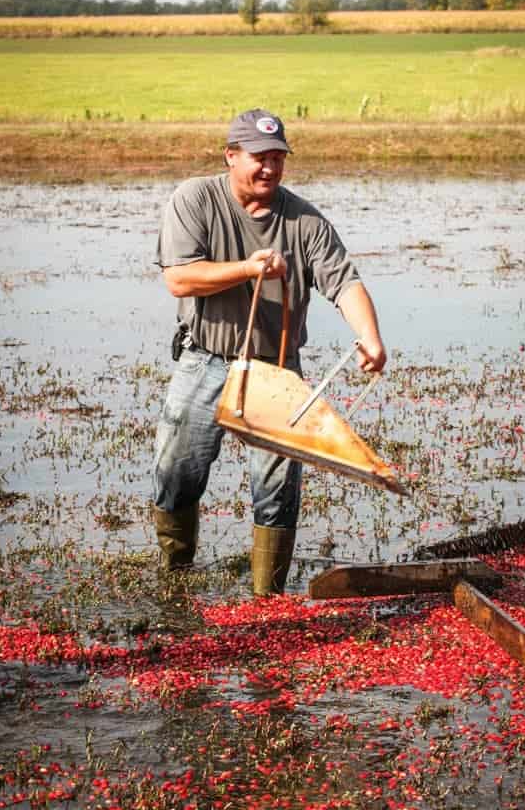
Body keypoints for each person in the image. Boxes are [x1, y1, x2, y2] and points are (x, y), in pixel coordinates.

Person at [151, 108, 387, 595]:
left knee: (277, 490)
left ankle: (267, 599)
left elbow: (344, 283)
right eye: (259, 158)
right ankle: (175, 578)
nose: (269, 168)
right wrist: (247, 268)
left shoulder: (305, 220)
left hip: (277, 371)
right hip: (206, 359)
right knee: (177, 475)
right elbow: (179, 279)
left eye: (278, 158)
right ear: (231, 156)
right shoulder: (195, 198)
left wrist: (370, 336)